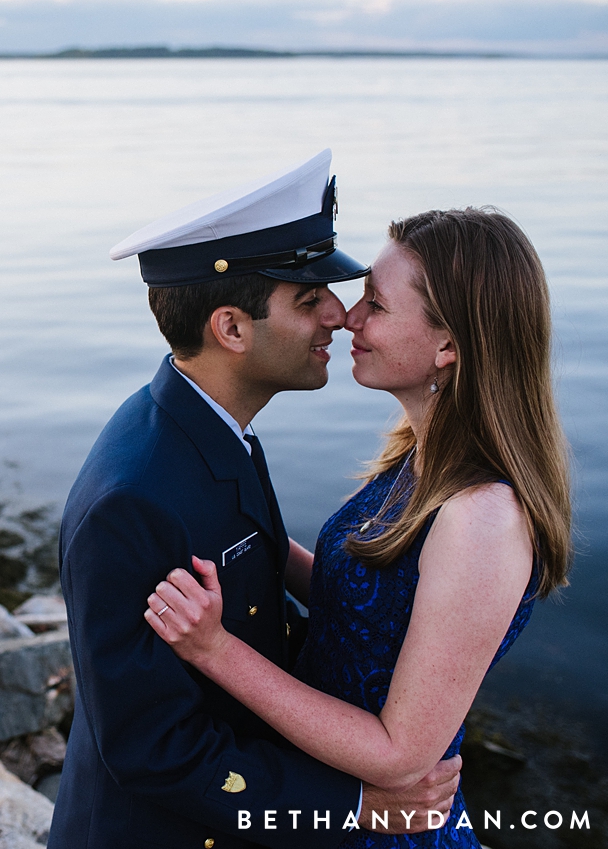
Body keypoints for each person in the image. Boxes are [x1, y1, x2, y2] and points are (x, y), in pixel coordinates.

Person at [49, 150, 462, 849]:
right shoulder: (136, 499)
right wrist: (354, 802)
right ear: (233, 330)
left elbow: (260, 588)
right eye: (307, 299)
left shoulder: (211, 430)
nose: (338, 313)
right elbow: (155, 747)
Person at [146, 207, 571, 848]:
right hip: (328, 806)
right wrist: (223, 531)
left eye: (376, 303)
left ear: (449, 346)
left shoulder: (482, 519)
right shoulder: (418, 457)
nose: (348, 317)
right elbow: (369, 611)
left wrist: (214, 650)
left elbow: (400, 755)